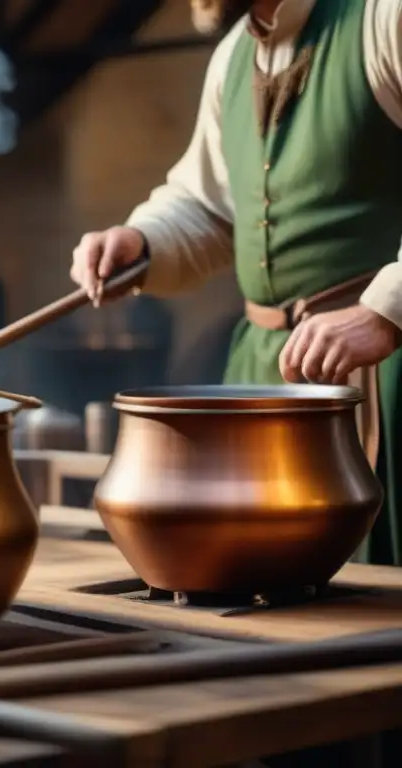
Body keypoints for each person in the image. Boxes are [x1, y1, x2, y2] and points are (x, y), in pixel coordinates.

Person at [71, 0, 402, 567]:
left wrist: (387, 306)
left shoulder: (382, 18)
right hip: (264, 376)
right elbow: (212, 205)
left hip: (386, 379)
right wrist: (144, 241)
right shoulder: (233, 56)